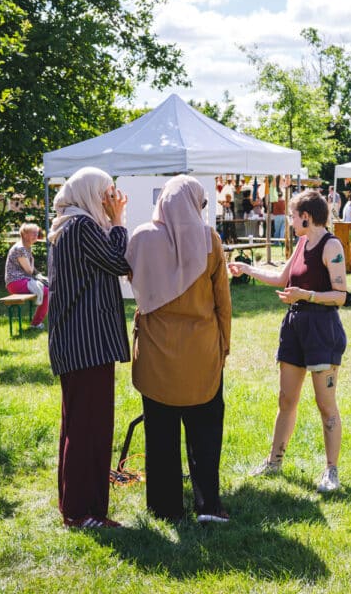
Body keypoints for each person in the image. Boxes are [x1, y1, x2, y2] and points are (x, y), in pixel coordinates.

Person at [126, 175, 232, 524]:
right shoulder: (209, 240)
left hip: (156, 351)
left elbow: (135, 283)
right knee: (205, 434)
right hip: (201, 350)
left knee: (160, 435)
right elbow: (222, 302)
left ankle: (164, 506)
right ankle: (207, 505)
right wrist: (224, 347)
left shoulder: (140, 237)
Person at [228, 190, 349, 494]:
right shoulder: (301, 243)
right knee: (286, 399)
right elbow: (283, 279)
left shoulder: (330, 245)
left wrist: (305, 296)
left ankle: (331, 471)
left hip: (322, 330)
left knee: (326, 404)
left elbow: (341, 296)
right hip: (295, 327)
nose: (291, 220)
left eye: (294, 215)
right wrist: (247, 269)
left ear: (307, 216)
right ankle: (274, 462)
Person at [45, 167, 132, 530]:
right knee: (89, 429)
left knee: (79, 425)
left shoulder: (66, 226)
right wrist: (119, 221)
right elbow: (118, 261)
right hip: (87, 344)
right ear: (89, 194)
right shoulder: (81, 227)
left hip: (77, 342)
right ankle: (83, 513)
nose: (109, 201)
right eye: (105, 194)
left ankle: (77, 509)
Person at [5, 223, 50, 328]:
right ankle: (36, 323)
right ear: (25, 234)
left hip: (21, 281)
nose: (36, 235)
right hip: (16, 283)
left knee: (48, 286)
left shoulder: (26, 247)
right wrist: (33, 260)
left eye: (37, 232)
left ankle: (37, 321)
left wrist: (42, 277)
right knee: (48, 292)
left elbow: (32, 271)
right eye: (33, 233)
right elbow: (29, 271)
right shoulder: (20, 248)